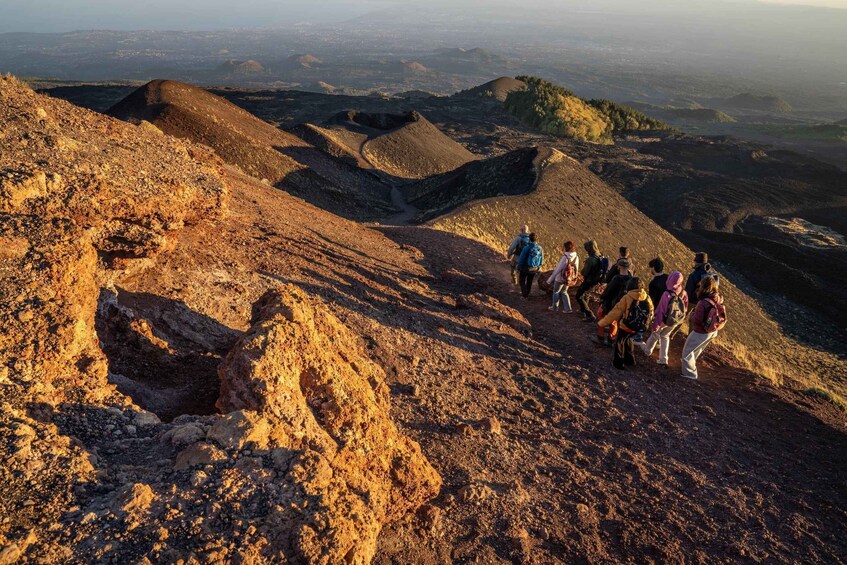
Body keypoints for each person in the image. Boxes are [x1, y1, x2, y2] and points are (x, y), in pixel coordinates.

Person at [598, 277, 654, 370]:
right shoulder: (647, 297)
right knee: (629, 339)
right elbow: (651, 312)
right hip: (639, 327)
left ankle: (618, 363)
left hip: (626, 325)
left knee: (620, 342)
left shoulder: (627, 297)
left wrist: (603, 323)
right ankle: (630, 360)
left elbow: (616, 312)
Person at [681, 275, 725, 380]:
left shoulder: (702, 302)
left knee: (686, 352)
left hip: (701, 331)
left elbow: (698, 320)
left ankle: (690, 374)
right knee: (696, 350)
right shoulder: (717, 297)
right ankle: (690, 367)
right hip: (712, 330)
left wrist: (692, 315)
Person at [640, 271, 688, 367]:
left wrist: (656, 325)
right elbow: (685, 308)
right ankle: (663, 359)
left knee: (655, 334)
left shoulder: (667, 293)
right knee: (665, 336)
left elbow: (660, 311)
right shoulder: (683, 292)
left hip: (664, 320)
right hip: (674, 320)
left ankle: (647, 350)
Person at [594, 258, 632, 346]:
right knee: (614, 321)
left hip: (610, 302)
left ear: (619, 266)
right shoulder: (630, 278)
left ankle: (600, 337)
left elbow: (608, 291)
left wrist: (602, 298)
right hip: (622, 304)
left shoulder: (616, 278)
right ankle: (611, 339)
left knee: (602, 317)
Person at [576, 240, 605, 322]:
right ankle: (583, 310)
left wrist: (582, 272)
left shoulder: (591, 259)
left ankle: (589, 314)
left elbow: (584, 272)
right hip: (596, 280)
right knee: (587, 294)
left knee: (579, 296)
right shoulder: (599, 255)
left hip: (589, 280)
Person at [547, 241, 580, 313]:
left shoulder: (565, 257)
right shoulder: (576, 257)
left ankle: (554, 308)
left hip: (560, 278)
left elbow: (558, 269)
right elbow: (576, 269)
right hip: (569, 279)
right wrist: (573, 279)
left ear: (565, 248)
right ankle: (568, 308)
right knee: (564, 292)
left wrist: (550, 279)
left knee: (556, 292)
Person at [516, 232, 544, 298]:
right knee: (529, 281)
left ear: (529, 239)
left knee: (521, 281)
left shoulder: (526, 248)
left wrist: (518, 267)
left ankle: (524, 295)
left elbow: (521, 259)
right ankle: (527, 294)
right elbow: (542, 258)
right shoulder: (540, 248)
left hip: (525, 268)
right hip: (534, 268)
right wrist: (539, 266)